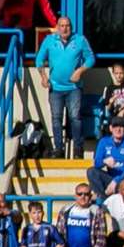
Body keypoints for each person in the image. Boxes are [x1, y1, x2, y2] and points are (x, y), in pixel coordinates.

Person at [36, 16, 94, 158]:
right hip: (55, 88)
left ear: (71, 27)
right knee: (56, 118)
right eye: (61, 25)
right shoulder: (50, 40)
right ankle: (58, 150)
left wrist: (80, 71)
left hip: (74, 88)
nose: (64, 28)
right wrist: (43, 77)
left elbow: (91, 58)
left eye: (67, 25)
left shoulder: (80, 40)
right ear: (57, 27)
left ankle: (78, 150)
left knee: (75, 117)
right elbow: (39, 59)